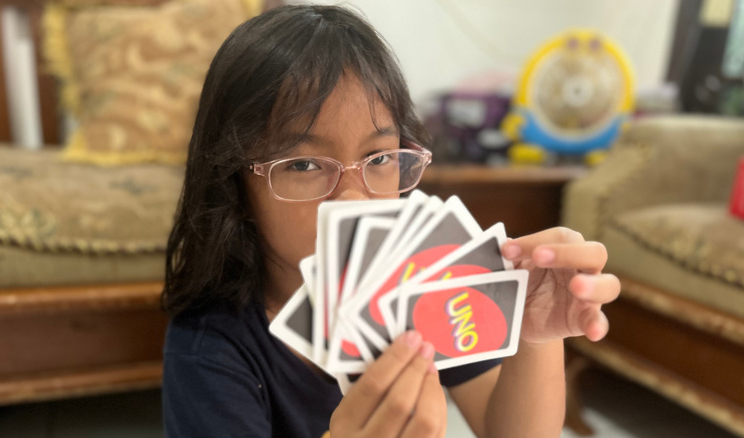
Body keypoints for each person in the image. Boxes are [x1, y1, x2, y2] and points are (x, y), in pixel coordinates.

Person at [161, 4, 620, 438]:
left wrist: (534, 338)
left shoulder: (426, 282)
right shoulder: (208, 350)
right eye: (303, 165)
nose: (354, 198)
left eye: (379, 157)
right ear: (234, 185)